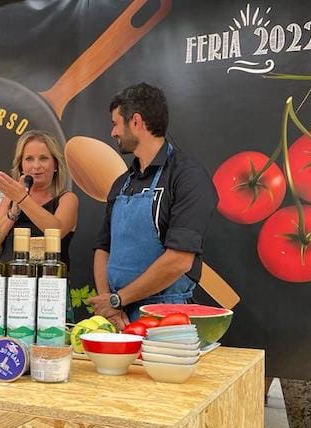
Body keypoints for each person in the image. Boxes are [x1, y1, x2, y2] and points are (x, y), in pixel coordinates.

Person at [88, 83, 217, 330]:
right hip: (119, 318)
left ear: (136, 121)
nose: (113, 132)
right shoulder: (121, 184)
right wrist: (109, 305)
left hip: (166, 318)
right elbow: (103, 248)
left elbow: (179, 260)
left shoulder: (187, 176)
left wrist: (118, 299)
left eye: (116, 123)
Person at [0, 130, 79, 269]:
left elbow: (56, 232)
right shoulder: (10, 199)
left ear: (55, 165)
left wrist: (23, 199)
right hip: (10, 278)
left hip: (49, 279)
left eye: (43, 158)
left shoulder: (67, 199)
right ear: (21, 166)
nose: (36, 166)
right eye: (29, 159)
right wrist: (13, 213)